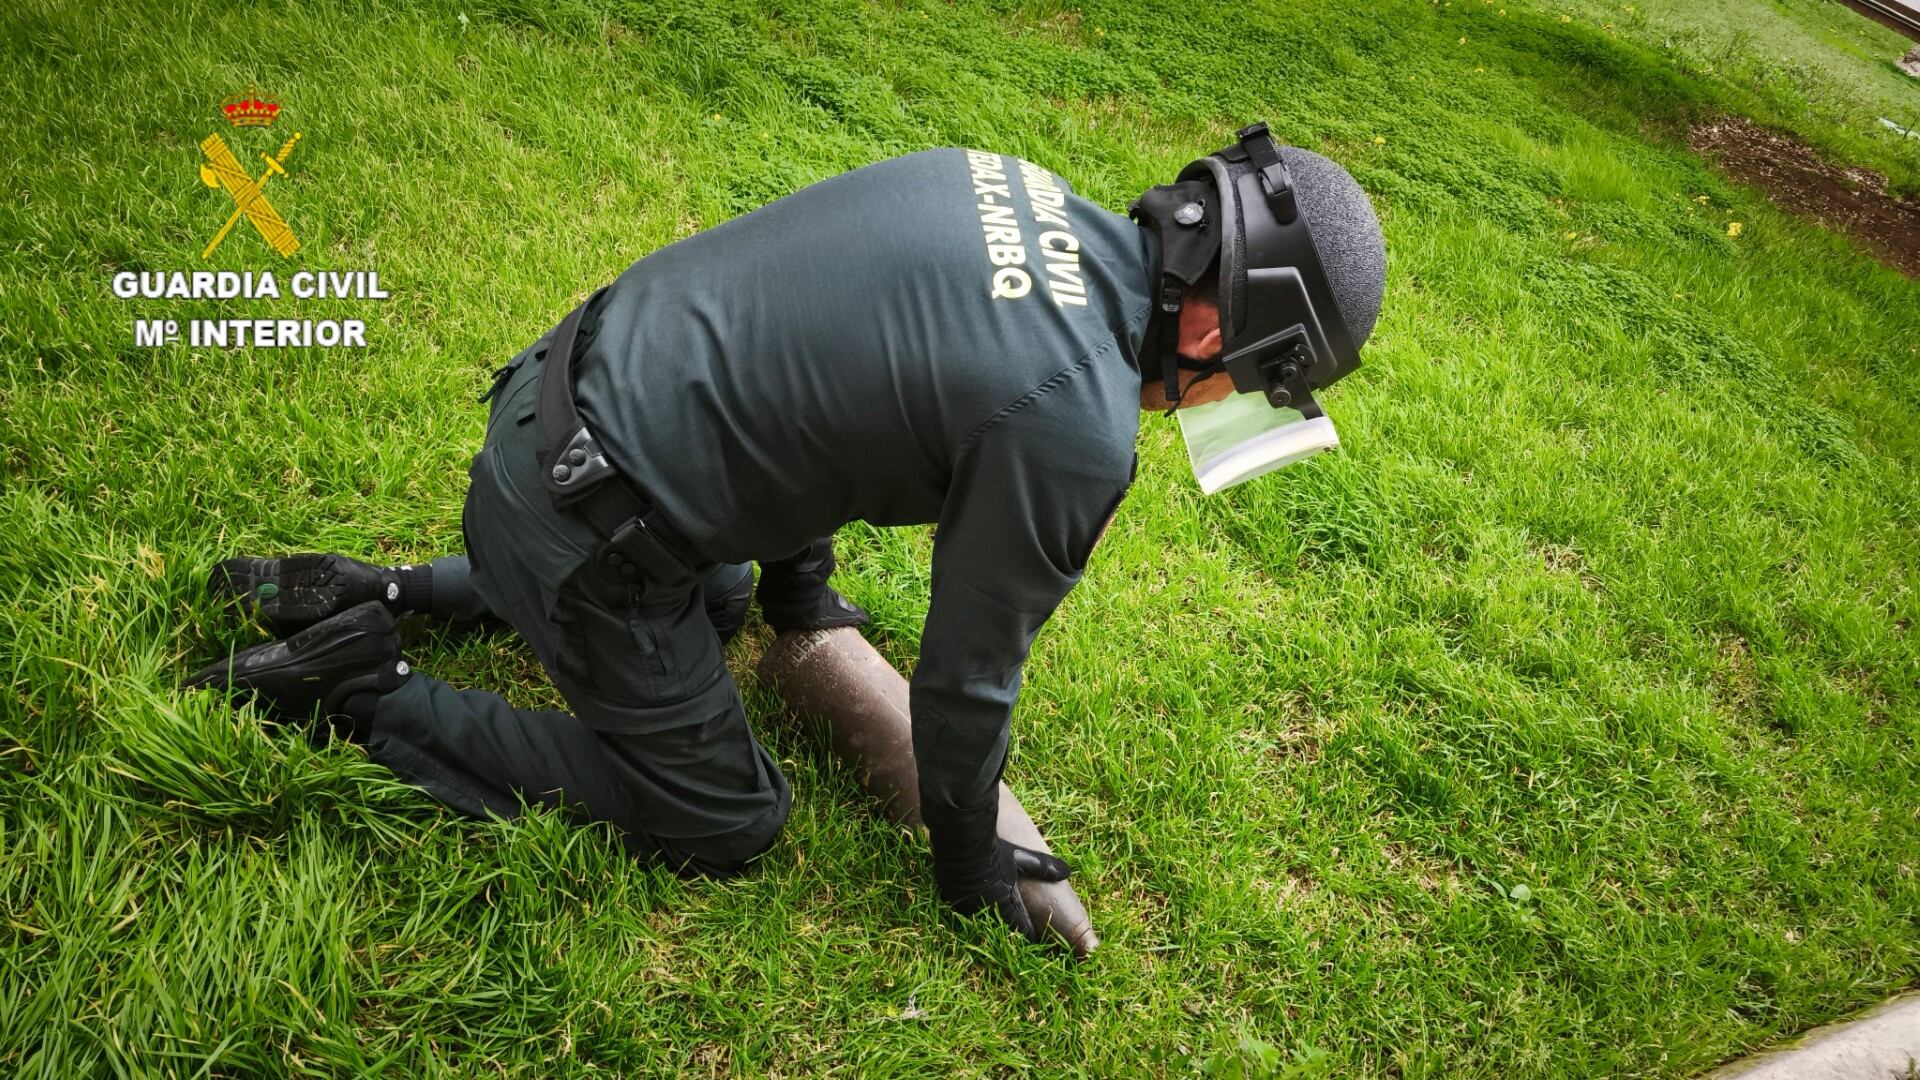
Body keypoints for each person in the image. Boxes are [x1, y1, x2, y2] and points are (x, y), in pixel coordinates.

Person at [188, 123, 1385, 943]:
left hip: (548, 414)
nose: (1233, 403)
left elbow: (808, 383)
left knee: (705, 603)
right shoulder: (1070, 426)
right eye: (1260, 378)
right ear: (1221, 330)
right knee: (728, 818)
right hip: (584, 527)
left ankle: (396, 589)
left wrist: (797, 598)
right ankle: (365, 687)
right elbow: (967, 686)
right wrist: (968, 865)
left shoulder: (1002, 180)